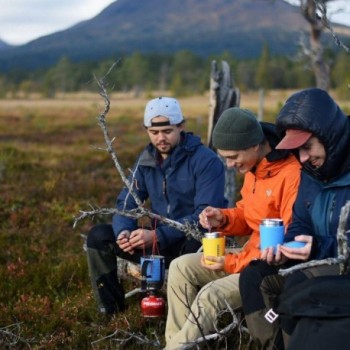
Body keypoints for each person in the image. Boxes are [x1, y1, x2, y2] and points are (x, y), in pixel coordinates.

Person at [164, 107, 301, 349]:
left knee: (211, 294)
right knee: (180, 267)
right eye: (225, 157)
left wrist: (230, 262)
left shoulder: (291, 175)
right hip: (248, 256)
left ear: (255, 145)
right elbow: (249, 216)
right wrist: (223, 219)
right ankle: (176, 343)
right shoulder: (255, 170)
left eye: (233, 156)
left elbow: (282, 247)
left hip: (267, 271)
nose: (229, 165)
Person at [86, 97, 228, 315]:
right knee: (99, 237)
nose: (161, 138)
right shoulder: (145, 162)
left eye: (167, 131)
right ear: (147, 131)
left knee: (194, 242)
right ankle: (111, 313)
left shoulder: (206, 161)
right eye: (154, 132)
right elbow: (126, 203)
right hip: (157, 246)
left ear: (181, 126)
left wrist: (158, 235)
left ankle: (192, 316)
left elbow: (205, 217)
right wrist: (124, 232)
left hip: (194, 244)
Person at [239, 87, 350, 350]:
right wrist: (286, 248)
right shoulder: (310, 173)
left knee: (298, 290)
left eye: (307, 147)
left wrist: (321, 247)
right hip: (314, 263)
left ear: (329, 136)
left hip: (341, 268)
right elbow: (300, 222)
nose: (303, 158)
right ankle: (274, 345)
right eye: (297, 151)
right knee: (255, 277)